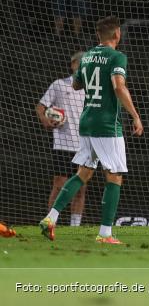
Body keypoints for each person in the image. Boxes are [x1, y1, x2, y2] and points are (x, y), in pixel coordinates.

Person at [39, 16, 144, 244]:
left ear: (99, 35)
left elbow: (76, 84)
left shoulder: (86, 58)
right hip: (107, 124)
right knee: (114, 177)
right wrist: (135, 116)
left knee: (83, 174)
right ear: (117, 34)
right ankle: (105, 233)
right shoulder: (117, 56)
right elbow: (119, 86)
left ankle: (50, 218)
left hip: (86, 123)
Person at [35, 52, 87, 227]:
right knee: (59, 185)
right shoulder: (58, 85)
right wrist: (45, 120)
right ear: (73, 65)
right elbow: (41, 107)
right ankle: (50, 223)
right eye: (81, 64)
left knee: (80, 188)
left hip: (84, 146)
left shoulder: (91, 90)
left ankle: (75, 227)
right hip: (63, 144)